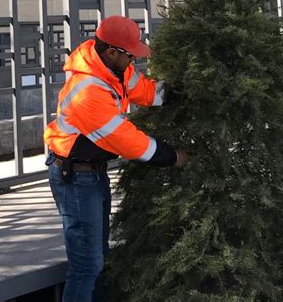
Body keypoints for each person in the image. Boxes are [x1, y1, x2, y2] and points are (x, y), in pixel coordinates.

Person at [44, 15, 188, 302]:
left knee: (98, 256)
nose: (134, 58)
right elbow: (130, 142)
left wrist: (183, 93)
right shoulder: (88, 92)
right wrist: (173, 157)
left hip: (91, 174)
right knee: (87, 265)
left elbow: (144, 90)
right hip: (75, 179)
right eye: (130, 53)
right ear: (112, 52)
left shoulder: (113, 69)